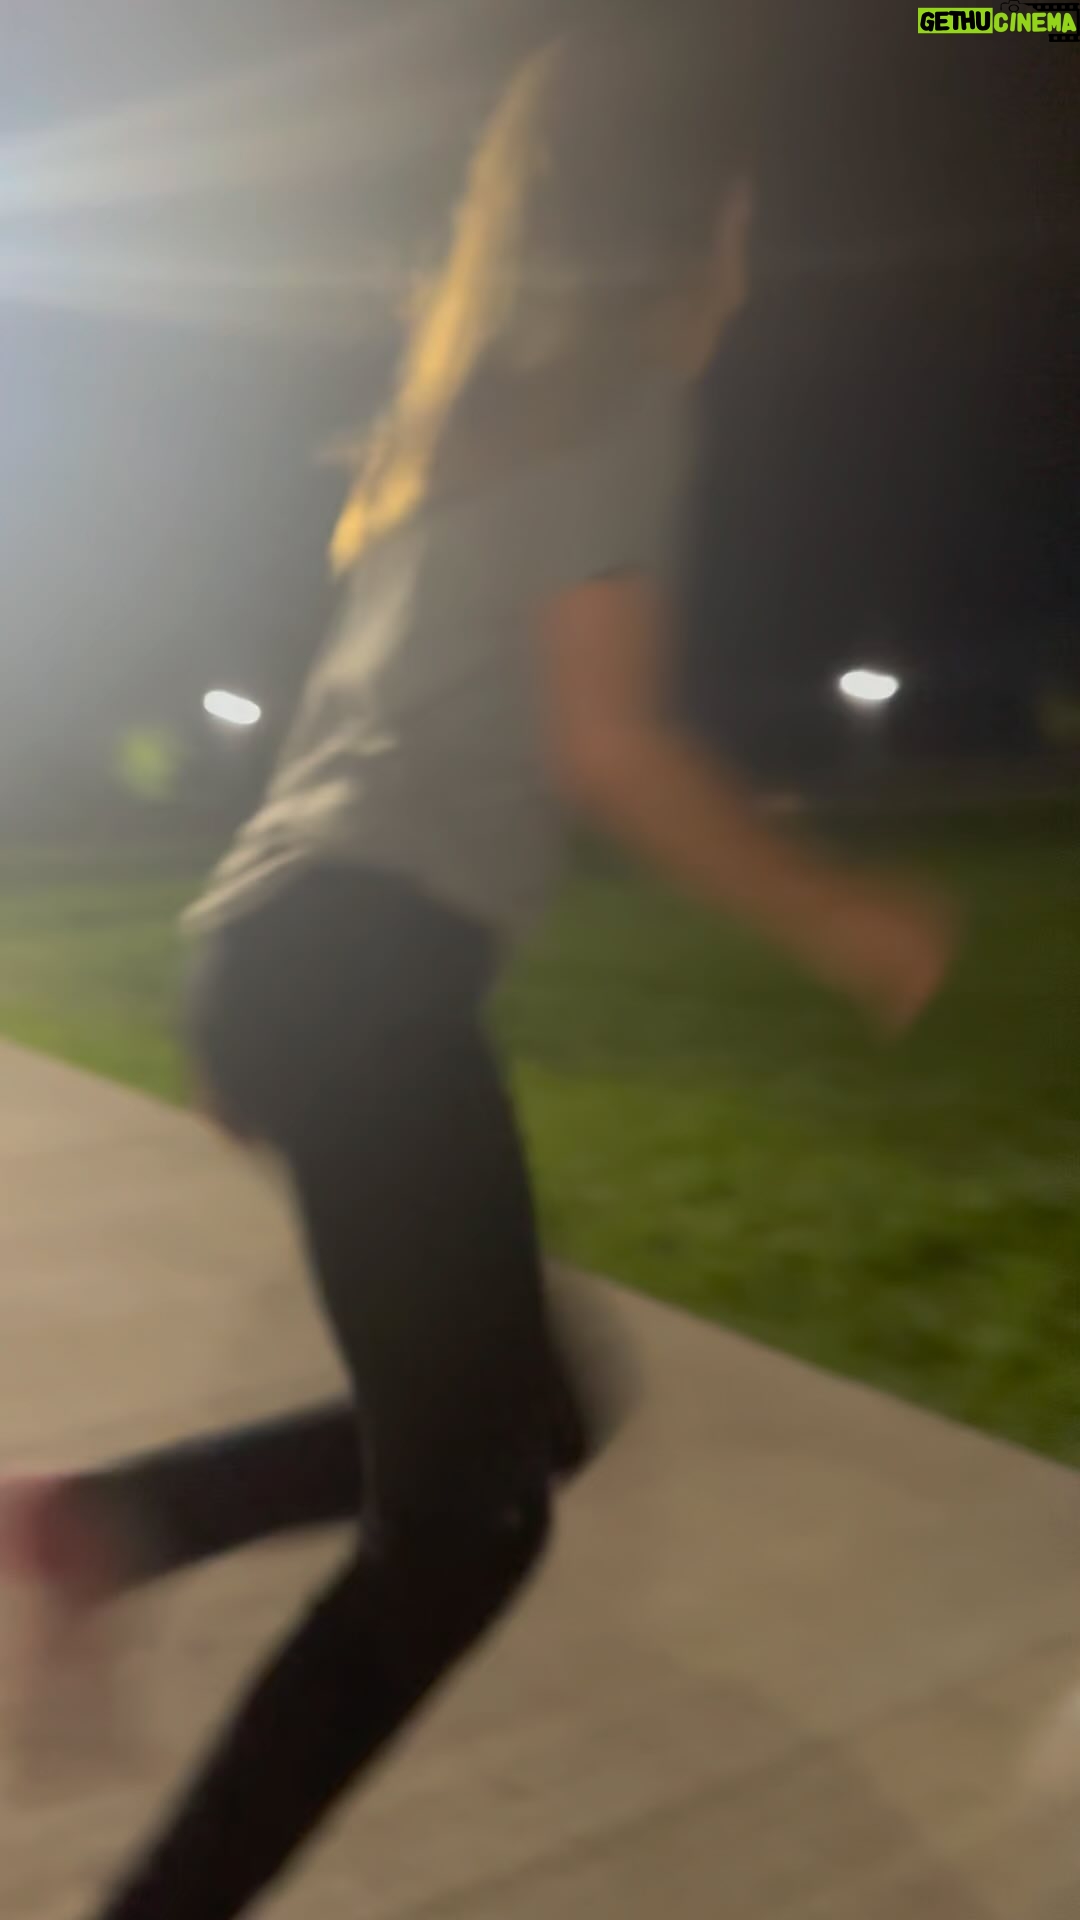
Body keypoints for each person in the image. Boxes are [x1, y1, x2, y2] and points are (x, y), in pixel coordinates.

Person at [1, 18, 951, 1919]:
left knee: (540, 1410)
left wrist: (241, 1006)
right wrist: (839, 915)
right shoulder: (619, 405)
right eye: (742, 216)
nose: (752, 254)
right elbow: (609, 745)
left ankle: (112, 1521)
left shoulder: (473, 426)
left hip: (295, 958)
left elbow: (340, 734)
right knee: (470, 1527)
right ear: (688, 225)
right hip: (356, 971)